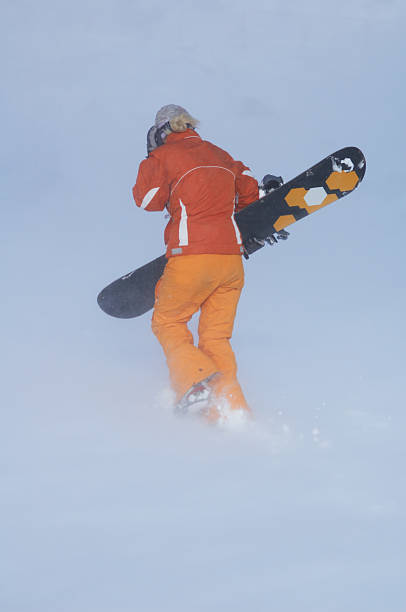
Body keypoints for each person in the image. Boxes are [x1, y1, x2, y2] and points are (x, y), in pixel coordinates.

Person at [132, 104, 260, 423]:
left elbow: (146, 200)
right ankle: (231, 413)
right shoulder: (221, 155)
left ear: (161, 132)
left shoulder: (163, 157)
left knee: (168, 322)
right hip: (231, 261)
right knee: (216, 338)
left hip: (192, 257)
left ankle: (193, 382)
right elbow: (250, 192)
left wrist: (153, 156)